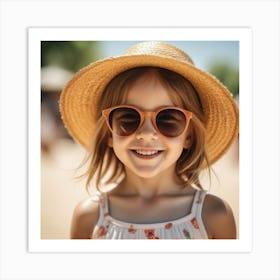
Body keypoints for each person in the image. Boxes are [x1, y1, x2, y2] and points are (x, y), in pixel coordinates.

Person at [59, 41, 239, 239]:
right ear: (109, 133)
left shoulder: (214, 216)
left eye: (168, 119)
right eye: (128, 118)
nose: (146, 133)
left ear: (189, 136)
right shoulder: (88, 217)